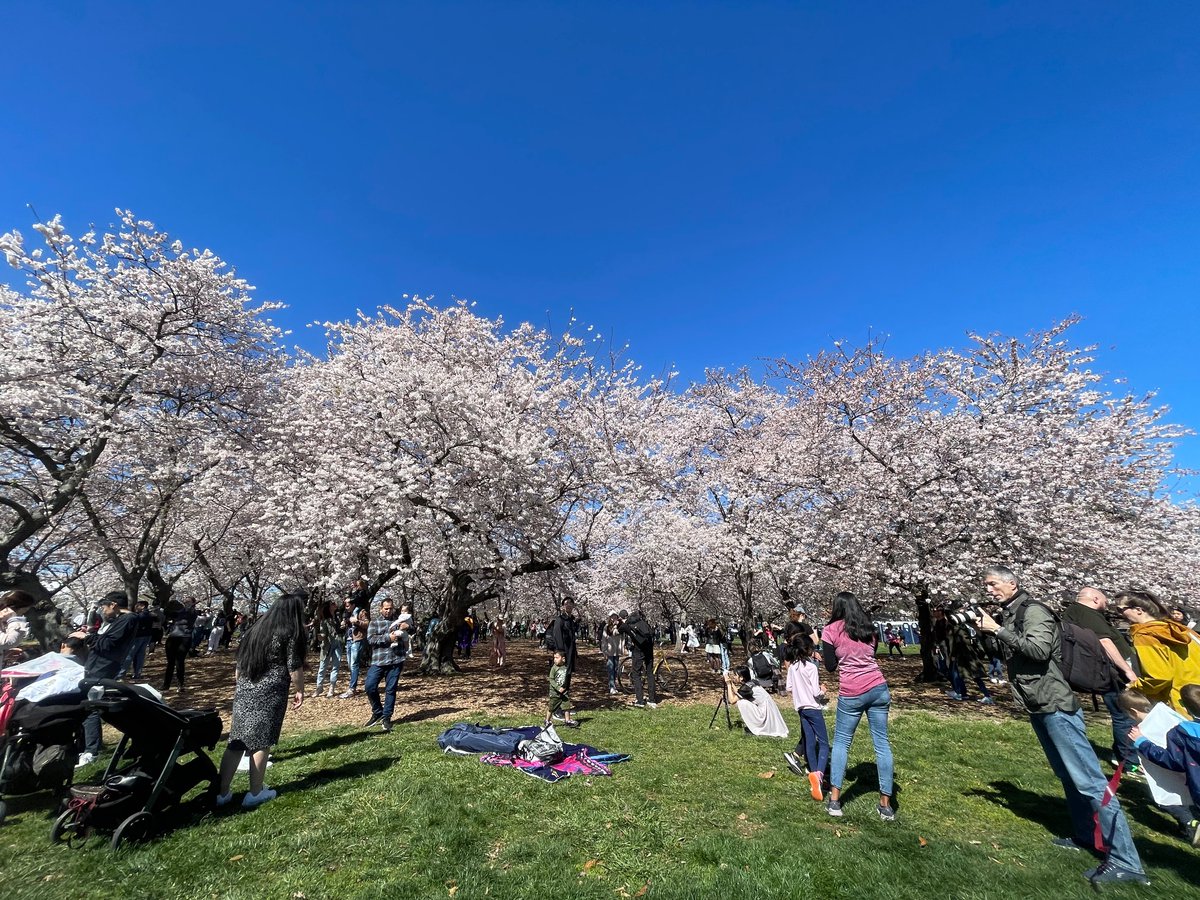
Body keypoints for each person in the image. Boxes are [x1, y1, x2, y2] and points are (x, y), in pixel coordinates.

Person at [977, 565, 1147, 886]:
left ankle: (1127, 861)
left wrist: (998, 630)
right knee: (1067, 775)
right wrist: (994, 631)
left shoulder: (1035, 610)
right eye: (986, 586)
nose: (988, 590)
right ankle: (1085, 835)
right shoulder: (1014, 613)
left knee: (1091, 782)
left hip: (1056, 705)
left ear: (1012, 583)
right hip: (1038, 704)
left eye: (992, 584)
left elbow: (1039, 651)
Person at [214, 593, 307, 810]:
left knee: (236, 741)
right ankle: (255, 792)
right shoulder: (290, 632)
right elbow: (294, 665)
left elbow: (239, 664)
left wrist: (242, 686)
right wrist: (300, 689)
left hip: (245, 688)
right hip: (270, 690)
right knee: (262, 741)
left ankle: (222, 792)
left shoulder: (254, 630)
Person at [821, 591, 896, 821]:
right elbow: (873, 654)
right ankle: (885, 805)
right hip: (878, 688)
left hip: (852, 692)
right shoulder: (869, 629)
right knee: (882, 743)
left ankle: (834, 801)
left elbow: (831, 666)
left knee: (842, 742)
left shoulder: (831, 630)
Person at [1062, 588, 1139, 769]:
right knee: (1125, 715)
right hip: (1114, 674)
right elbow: (1104, 642)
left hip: (1105, 672)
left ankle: (1121, 753)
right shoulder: (1086, 613)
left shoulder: (1075, 612)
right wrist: (1127, 670)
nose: (1108, 604)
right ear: (1096, 599)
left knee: (1124, 715)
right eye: (1105, 600)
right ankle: (1129, 762)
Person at [1118, 688, 1199, 841]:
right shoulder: (1177, 725)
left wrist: (1142, 742)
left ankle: (1190, 824)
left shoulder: (1181, 733)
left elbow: (1172, 760)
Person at [71, 592, 137, 767]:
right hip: (97, 664)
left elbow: (108, 644)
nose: (102, 610)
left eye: (104, 606)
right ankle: (85, 745)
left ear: (113, 604)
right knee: (88, 704)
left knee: (91, 705)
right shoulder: (120, 620)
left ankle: (91, 751)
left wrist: (87, 638)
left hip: (103, 667)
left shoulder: (127, 620)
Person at [1114, 590, 1200, 716]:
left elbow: (1158, 677)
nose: (1119, 614)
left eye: (1120, 609)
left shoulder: (1145, 635)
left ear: (1139, 610)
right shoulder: (1182, 630)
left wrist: (1135, 686)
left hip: (1181, 703)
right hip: (1195, 695)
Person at [782, 641, 829, 800]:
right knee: (823, 742)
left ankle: (814, 773)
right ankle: (820, 774)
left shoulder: (793, 667)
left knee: (809, 741)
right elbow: (816, 692)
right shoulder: (811, 667)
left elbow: (789, 688)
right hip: (813, 708)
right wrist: (822, 690)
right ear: (808, 650)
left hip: (801, 708)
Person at [363, 598, 408, 732]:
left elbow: (411, 631)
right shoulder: (374, 622)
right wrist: (388, 638)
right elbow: (370, 639)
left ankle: (387, 717)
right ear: (381, 609)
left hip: (396, 660)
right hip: (379, 660)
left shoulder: (399, 621)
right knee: (370, 686)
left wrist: (408, 627)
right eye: (386, 608)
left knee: (391, 689)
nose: (388, 611)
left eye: (390, 608)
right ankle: (377, 711)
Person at [723, 665, 789, 738]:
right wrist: (731, 683)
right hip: (769, 710)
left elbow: (732, 700)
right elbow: (739, 693)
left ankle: (756, 727)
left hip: (765, 713)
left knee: (741, 702)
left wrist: (728, 684)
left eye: (735, 675)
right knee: (741, 699)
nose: (733, 677)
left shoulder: (746, 687)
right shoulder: (752, 683)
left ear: (741, 677)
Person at [618, 608, 657, 708]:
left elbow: (619, 630)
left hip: (638, 650)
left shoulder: (626, 625)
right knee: (650, 672)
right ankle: (652, 700)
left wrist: (618, 623)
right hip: (649, 648)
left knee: (636, 674)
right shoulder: (641, 621)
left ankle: (640, 700)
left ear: (621, 617)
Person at [162, 597, 198, 693]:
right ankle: (166, 684)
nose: (186, 602)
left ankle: (180, 684)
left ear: (193, 603)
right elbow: (168, 614)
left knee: (179, 661)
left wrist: (189, 606)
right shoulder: (178, 611)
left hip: (185, 638)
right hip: (173, 637)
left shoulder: (193, 612)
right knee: (170, 662)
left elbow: (189, 614)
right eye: (185, 601)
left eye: (188, 601)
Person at [311, 599, 342, 698]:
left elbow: (342, 629)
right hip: (327, 645)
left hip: (338, 644)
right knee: (322, 667)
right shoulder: (324, 620)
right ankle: (319, 687)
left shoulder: (338, 617)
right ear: (329, 607)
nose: (335, 605)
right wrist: (321, 636)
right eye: (332, 604)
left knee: (335, 666)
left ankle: (331, 688)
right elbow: (323, 633)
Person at [545, 599, 579, 689]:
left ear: (573, 606)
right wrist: (560, 653)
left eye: (570, 603)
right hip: (562, 652)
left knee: (568, 676)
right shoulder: (560, 620)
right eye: (566, 604)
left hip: (570, 652)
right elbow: (557, 637)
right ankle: (559, 699)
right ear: (563, 607)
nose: (568, 605)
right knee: (561, 677)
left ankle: (565, 699)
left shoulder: (571, 620)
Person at [119, 600, 155, 679]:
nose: (136, 607)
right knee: (140, 655)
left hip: (138, 636)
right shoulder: (151, 614)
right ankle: (137, 673)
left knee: (130, 655)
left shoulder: (140, 615)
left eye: (138, 605)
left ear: (143, 606)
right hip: (147, 635)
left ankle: (121, 674)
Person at [339, 606, 369, 699]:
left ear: (353, 604)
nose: (346, 606)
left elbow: (367, 624)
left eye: (348, 605)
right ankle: (352, 686)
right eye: (345, 604)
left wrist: (356, 621)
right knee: (350, 665)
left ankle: (352, 688)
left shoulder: (361, 611)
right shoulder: (347, 614)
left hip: (357, 640)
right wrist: (344, 624)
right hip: (349, 640)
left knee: (354, 664)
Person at [548, 649, 578, 727]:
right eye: (554, 658)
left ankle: (567, 721)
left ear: (563, 659)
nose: (555, 659)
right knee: (552, 707)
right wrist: (558, 688)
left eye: (557, 657)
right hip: (555, 692)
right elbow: (551, 679)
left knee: (566, 706)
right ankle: (547, 720)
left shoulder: (565, 667)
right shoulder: (554, 668)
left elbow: (567, 678)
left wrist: (565, 687)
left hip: (564, 692)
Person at [600, 614, 624, 696]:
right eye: (612, 617)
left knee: (616, 668)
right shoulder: (607, 627)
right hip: (609, 651)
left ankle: (613, 685)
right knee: (611, 668)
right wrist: (604, 650)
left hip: (616, 651)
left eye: (615, 617)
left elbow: (622, 636)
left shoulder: (619, 626)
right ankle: (611, 687)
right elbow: (604, 639)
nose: (614, 618)